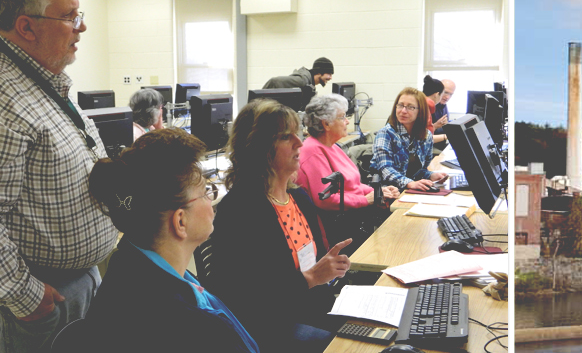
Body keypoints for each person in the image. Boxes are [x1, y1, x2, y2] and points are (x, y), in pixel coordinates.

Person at [0, 0, 114, 352]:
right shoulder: (5, 99)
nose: (81, 27)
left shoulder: (43, 80)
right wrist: (26, 297)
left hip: (78, 281)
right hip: (42, 300)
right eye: (69, 17)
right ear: (26, 26)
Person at [80, 129, 259, 352]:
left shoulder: (130, 264)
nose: (211, 199)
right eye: (205, 192)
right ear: (180, 222)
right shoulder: (186, 326)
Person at [205, 99, 353, 353]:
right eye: (287, 137)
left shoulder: (299, 198)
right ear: (260, 147)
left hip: (308, 308)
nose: (300, 143)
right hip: (269, 327)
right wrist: (311, 278)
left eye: (297, 134)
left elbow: (310, 270)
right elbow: (241, 296)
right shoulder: (241, 209)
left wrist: (326, 271)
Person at [297, 94, 399, 251]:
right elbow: (326, 199)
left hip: (353, 217)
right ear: (326, 124)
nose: (347, 121)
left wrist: (379, 191)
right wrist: (366, 200)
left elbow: (354, 184)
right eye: (342, 117)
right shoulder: (312, 151)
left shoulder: (333, 146)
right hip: (337, 227)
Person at [372, 87, 449, 191]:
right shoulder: (385, 134)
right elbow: (385, 169)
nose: (403, 111)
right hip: (388, 192)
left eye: (410, 107)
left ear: (420, 111)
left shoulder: (427, 136)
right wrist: (410, 183)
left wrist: (430, 176)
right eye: (400, 105)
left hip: (410, 190)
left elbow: (419, 171)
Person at [262, 57, 333, 98]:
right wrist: (258, 102)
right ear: (319, 72)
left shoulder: (310, 83)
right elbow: (274, 81)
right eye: (329, 74)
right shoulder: (302, 81)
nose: (330, 77)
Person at [421, 75, 454, 144]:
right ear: (437, 94)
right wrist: (446, 136)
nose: (447, 97)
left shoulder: (443, 105)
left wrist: (435, 126)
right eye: (445, 93)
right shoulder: (424, 108)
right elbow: (424, 138)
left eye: (451, 94)